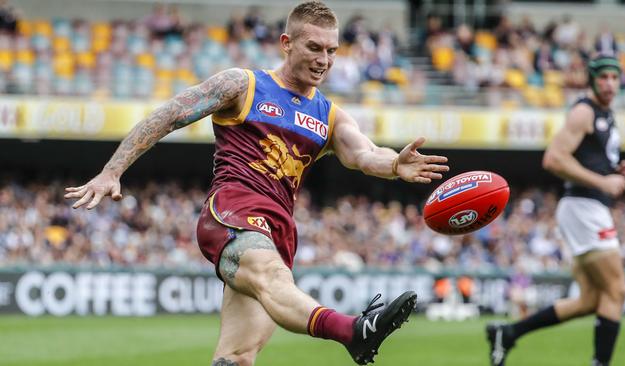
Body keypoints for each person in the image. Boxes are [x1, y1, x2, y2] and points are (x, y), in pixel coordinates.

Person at [65, 2, 450, 365]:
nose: (324, 60)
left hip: (278, 230)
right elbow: (170, 114)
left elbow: (364, 154)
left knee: (237, 357)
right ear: (287, 43)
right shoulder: (243, 85)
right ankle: (353, 330)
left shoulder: (329, 115)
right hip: (233, 211)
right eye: (314, 47)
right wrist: (113, 170)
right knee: (273, 278)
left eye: (332, 50)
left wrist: (395, 165)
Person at [485, 54, 625, 366]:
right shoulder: (584, 111)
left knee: (591, 300)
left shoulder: (607, 116)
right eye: (603, 77)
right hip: (584, 206)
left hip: (588, 207)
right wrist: (603, 182)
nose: (609, 83)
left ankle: (508, 333)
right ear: (592, 80)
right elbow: (554, 158)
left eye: (614, 77)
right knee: (617, 290)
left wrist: (621, 170)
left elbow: (593, 160)